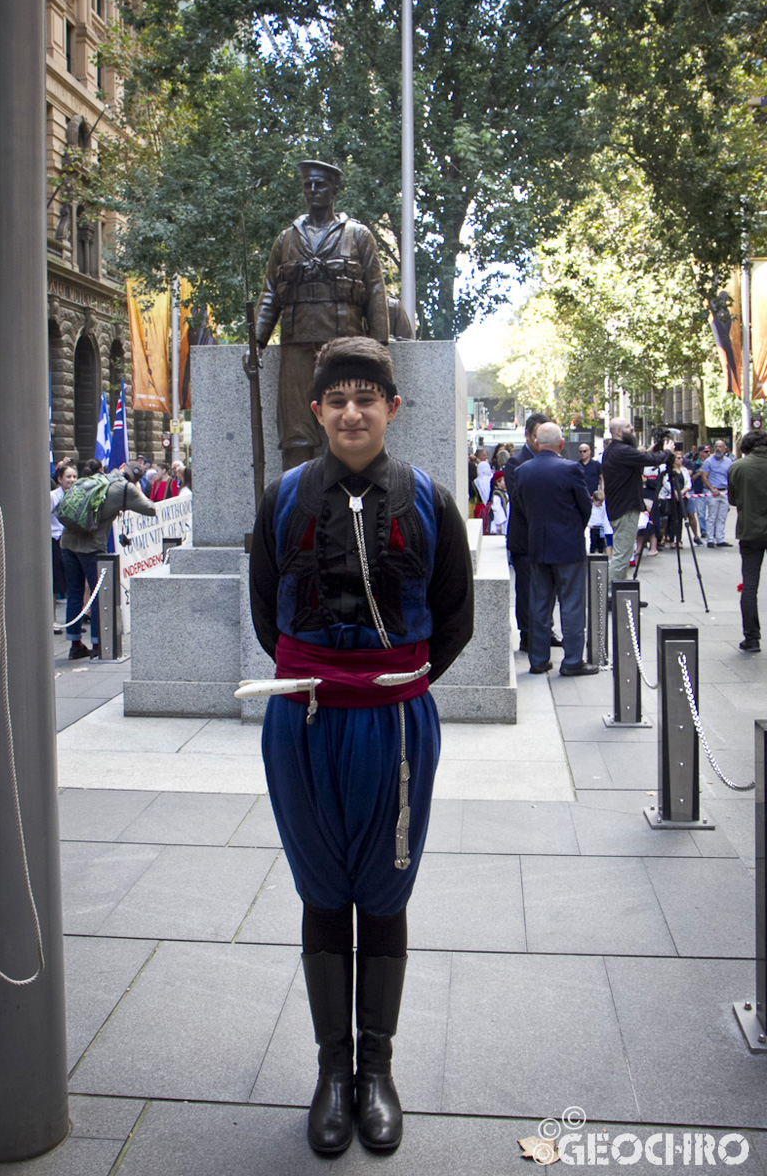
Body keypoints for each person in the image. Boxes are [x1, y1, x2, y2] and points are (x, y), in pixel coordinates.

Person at [249, 336, 473, 1156]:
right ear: (316, 412)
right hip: (302, 721)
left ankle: (375, 1072)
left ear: (392, 408)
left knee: (385, 890)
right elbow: (266, 611)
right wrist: (325, 680)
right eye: (336, 399)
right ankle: (329, 1072)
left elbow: (454, 620)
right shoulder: (281, 500)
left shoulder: (430, 501)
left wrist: (394, 684)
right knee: (320, 888)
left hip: (394, 725)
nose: (351, 412)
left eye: (365, 398)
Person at [254, 160, 389, 471]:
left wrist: (379, 347)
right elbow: (271, 294)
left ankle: (344, 494)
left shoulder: (358, 235)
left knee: (345, 420)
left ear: (334, 191)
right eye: (308, 185)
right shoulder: (285, 239)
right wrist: (256, 343)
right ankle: (296, 499)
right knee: (296, 431)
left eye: (320, 185)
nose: (313, 191)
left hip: (344, 344)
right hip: (296, 343)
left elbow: (375, 291)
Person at [514, 422, 597, 676]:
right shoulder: (571, 469)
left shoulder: (523, 471)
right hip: (569, 547)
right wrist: (572, 531)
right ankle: (572, 661)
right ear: (561, 444)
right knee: (571, 604)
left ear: (537, 443)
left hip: (538, 546)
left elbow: (521, 508)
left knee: (539, 605)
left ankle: (539, 660)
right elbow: (585, 507)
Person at [61, 461, 156, 659]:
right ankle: (98, 644)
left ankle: (75, 644)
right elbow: (151, 509)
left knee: (75, 593)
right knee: (98, 596)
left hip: (67, 543)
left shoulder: (97, 478)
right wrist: (136, 491)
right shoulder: (125, 489)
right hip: (91, 547)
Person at [601, 419, 674, 599]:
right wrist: (667, 452)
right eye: (627, 427)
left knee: (624, 553)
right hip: (625, 509)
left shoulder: (615, 450)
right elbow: (649, 460)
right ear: (618, 432)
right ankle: (611, 595)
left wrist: (653, 449)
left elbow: (641, 459)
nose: (632, 429)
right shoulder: (621, 450)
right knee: (622, 555)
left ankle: (623, 594)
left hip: (621, 508)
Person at [504, 412, 554, 651]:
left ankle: (545, 630)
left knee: (547, 588)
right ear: (528, 435)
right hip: (525, 538)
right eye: (538, 436)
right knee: (526, 589)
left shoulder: (555, 459)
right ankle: (527, 635)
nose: (541, 441)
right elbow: (519, 500)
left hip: (549, 538)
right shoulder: (515, 462)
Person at [727, 430, 767, 651]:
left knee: (750, 585)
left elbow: (733, 499)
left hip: (750, 531)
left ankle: (752, 638)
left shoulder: (738, 467)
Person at [50, 463, 77, 633]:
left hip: (73, 542)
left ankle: (75, 621)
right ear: (60, 479)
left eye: (74, 476)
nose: (72, 480)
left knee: (74, 583)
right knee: (55, 583)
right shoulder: (52, 496)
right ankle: (52, 620)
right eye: (68, 476)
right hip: (56, 541)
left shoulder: (78, 495)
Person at [700, 438, 734, 547]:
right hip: (713, 492)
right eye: (717, 446)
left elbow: (730, 476)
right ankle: (710, 539)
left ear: (724, 449)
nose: (718, 449)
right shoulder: (709, 461)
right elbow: (704, 477)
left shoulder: (729, 462)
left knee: (722, 516)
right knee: (712, 516)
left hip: (724, 492)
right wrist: (712, 489)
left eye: (721, 447)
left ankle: (720, 539)